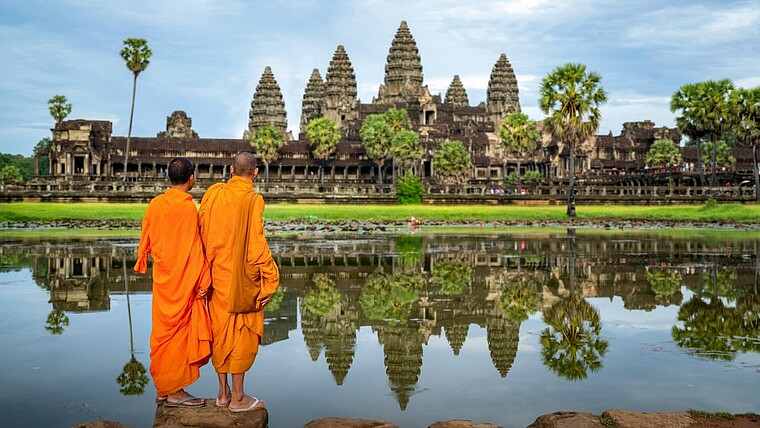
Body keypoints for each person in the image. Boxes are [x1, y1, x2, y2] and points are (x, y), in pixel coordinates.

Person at [199, 152, 280, 412]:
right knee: (240, 334)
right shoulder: (252, 199)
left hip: (214, 276)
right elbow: (256, 246)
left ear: (231, 169)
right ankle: (238, 397)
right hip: (240, 280)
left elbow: (201, 231)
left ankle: (222, 394)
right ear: (255, 173)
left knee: (220, 333)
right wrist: (271, 278)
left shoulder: (212, 193)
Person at [134, 157, 211, 408]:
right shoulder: (188, 208)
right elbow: (194, 247)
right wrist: (203, 279)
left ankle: (164, 389)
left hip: (164, 279)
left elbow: (147, 238)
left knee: (163, 333)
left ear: (169, 177)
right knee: (178, 334)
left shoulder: (155, 204)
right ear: (192, 178)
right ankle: (174, 391)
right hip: (183, 280)